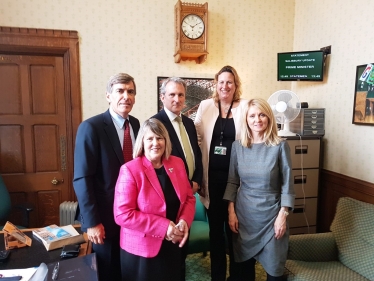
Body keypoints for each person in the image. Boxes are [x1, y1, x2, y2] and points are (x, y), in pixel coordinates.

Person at [73, 73, 140, 281]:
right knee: (107, 272)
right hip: (104, 220)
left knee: (128, 270)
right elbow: (83, 178)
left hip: (133, 217)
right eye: (120, 91)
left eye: (130, 91)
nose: (125, 96)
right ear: (108, 96)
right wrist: (92, 222)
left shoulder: (137, 125)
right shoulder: (91, 127)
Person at [113, 118, 196, 281]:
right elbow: (123, 214)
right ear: (142, 142)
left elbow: (189, 199)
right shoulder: (130, 170)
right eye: (149, 138)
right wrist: (164, 227)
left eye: (159, 138)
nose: (155, 143)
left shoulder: (177, 163)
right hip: (142, 251)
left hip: (173, 244)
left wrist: (185, 221)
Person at [223, 98, 295, 281]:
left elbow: (287, 183)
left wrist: (283, 215)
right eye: (252, 115)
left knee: (274, 270)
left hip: (272, 217)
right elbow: (232, 182)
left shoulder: (280, 146)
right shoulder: (237, 147)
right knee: (244, 271)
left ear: (269, 117)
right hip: (245, 217)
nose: (257, 119)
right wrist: (231, 211)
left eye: (262, 114)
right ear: (246, 119)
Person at [194, 65, 248, 281]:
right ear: (216, 84)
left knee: (235, 233)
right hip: (212, 183)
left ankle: (236, 276)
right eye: (221, 82)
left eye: (230, 82)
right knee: (215, 233)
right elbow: (197, 139)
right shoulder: (206, 106)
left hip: (237, 183)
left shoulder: (245, 107)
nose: (225, 86)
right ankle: (218, 277)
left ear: (236, 85)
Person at [152, 77, 203, 280]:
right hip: (169, 197)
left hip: (188, 195)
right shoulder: (156, 123)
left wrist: (197, 180)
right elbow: (155, 162)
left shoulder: (189, 123)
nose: (177, 99)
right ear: (162, 97)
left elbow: (195, 154)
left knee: (183, 247)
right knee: (169, 251)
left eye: (180, 94)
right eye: (172, 94)